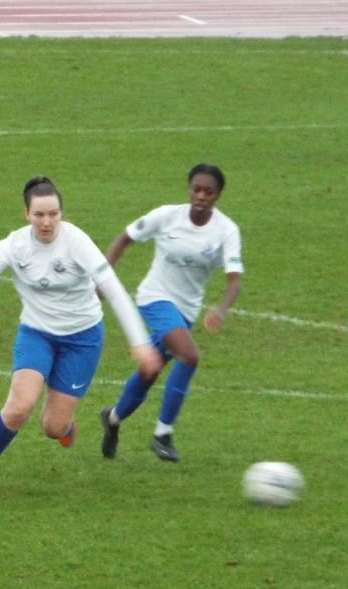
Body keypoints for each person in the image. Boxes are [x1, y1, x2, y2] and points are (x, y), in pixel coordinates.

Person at [0, 176, 163, 495]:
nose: (47, 222)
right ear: (27, 214)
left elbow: (114, 289)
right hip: (36, 334)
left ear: (62, 213)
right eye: (39, 215)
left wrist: (140, 343)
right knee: (19, 406)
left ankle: (65, 424)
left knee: (53, 428)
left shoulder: (78, 243)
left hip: (82, 340)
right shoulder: (16, 244)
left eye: (53, 214)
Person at [99, 163, 243, 462]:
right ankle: (162, 433)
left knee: (150, 370)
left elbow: (234, 280)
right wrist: (105, 277)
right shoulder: (166, 216)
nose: (201, 196)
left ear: (218, 195)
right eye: (197, 189)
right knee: (189, 356)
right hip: (155, 297)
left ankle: (112, 418)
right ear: (189, 189)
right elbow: (124, 238)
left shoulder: (226, 231)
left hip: (186, 310)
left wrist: (221, 308)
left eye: (209, 192)